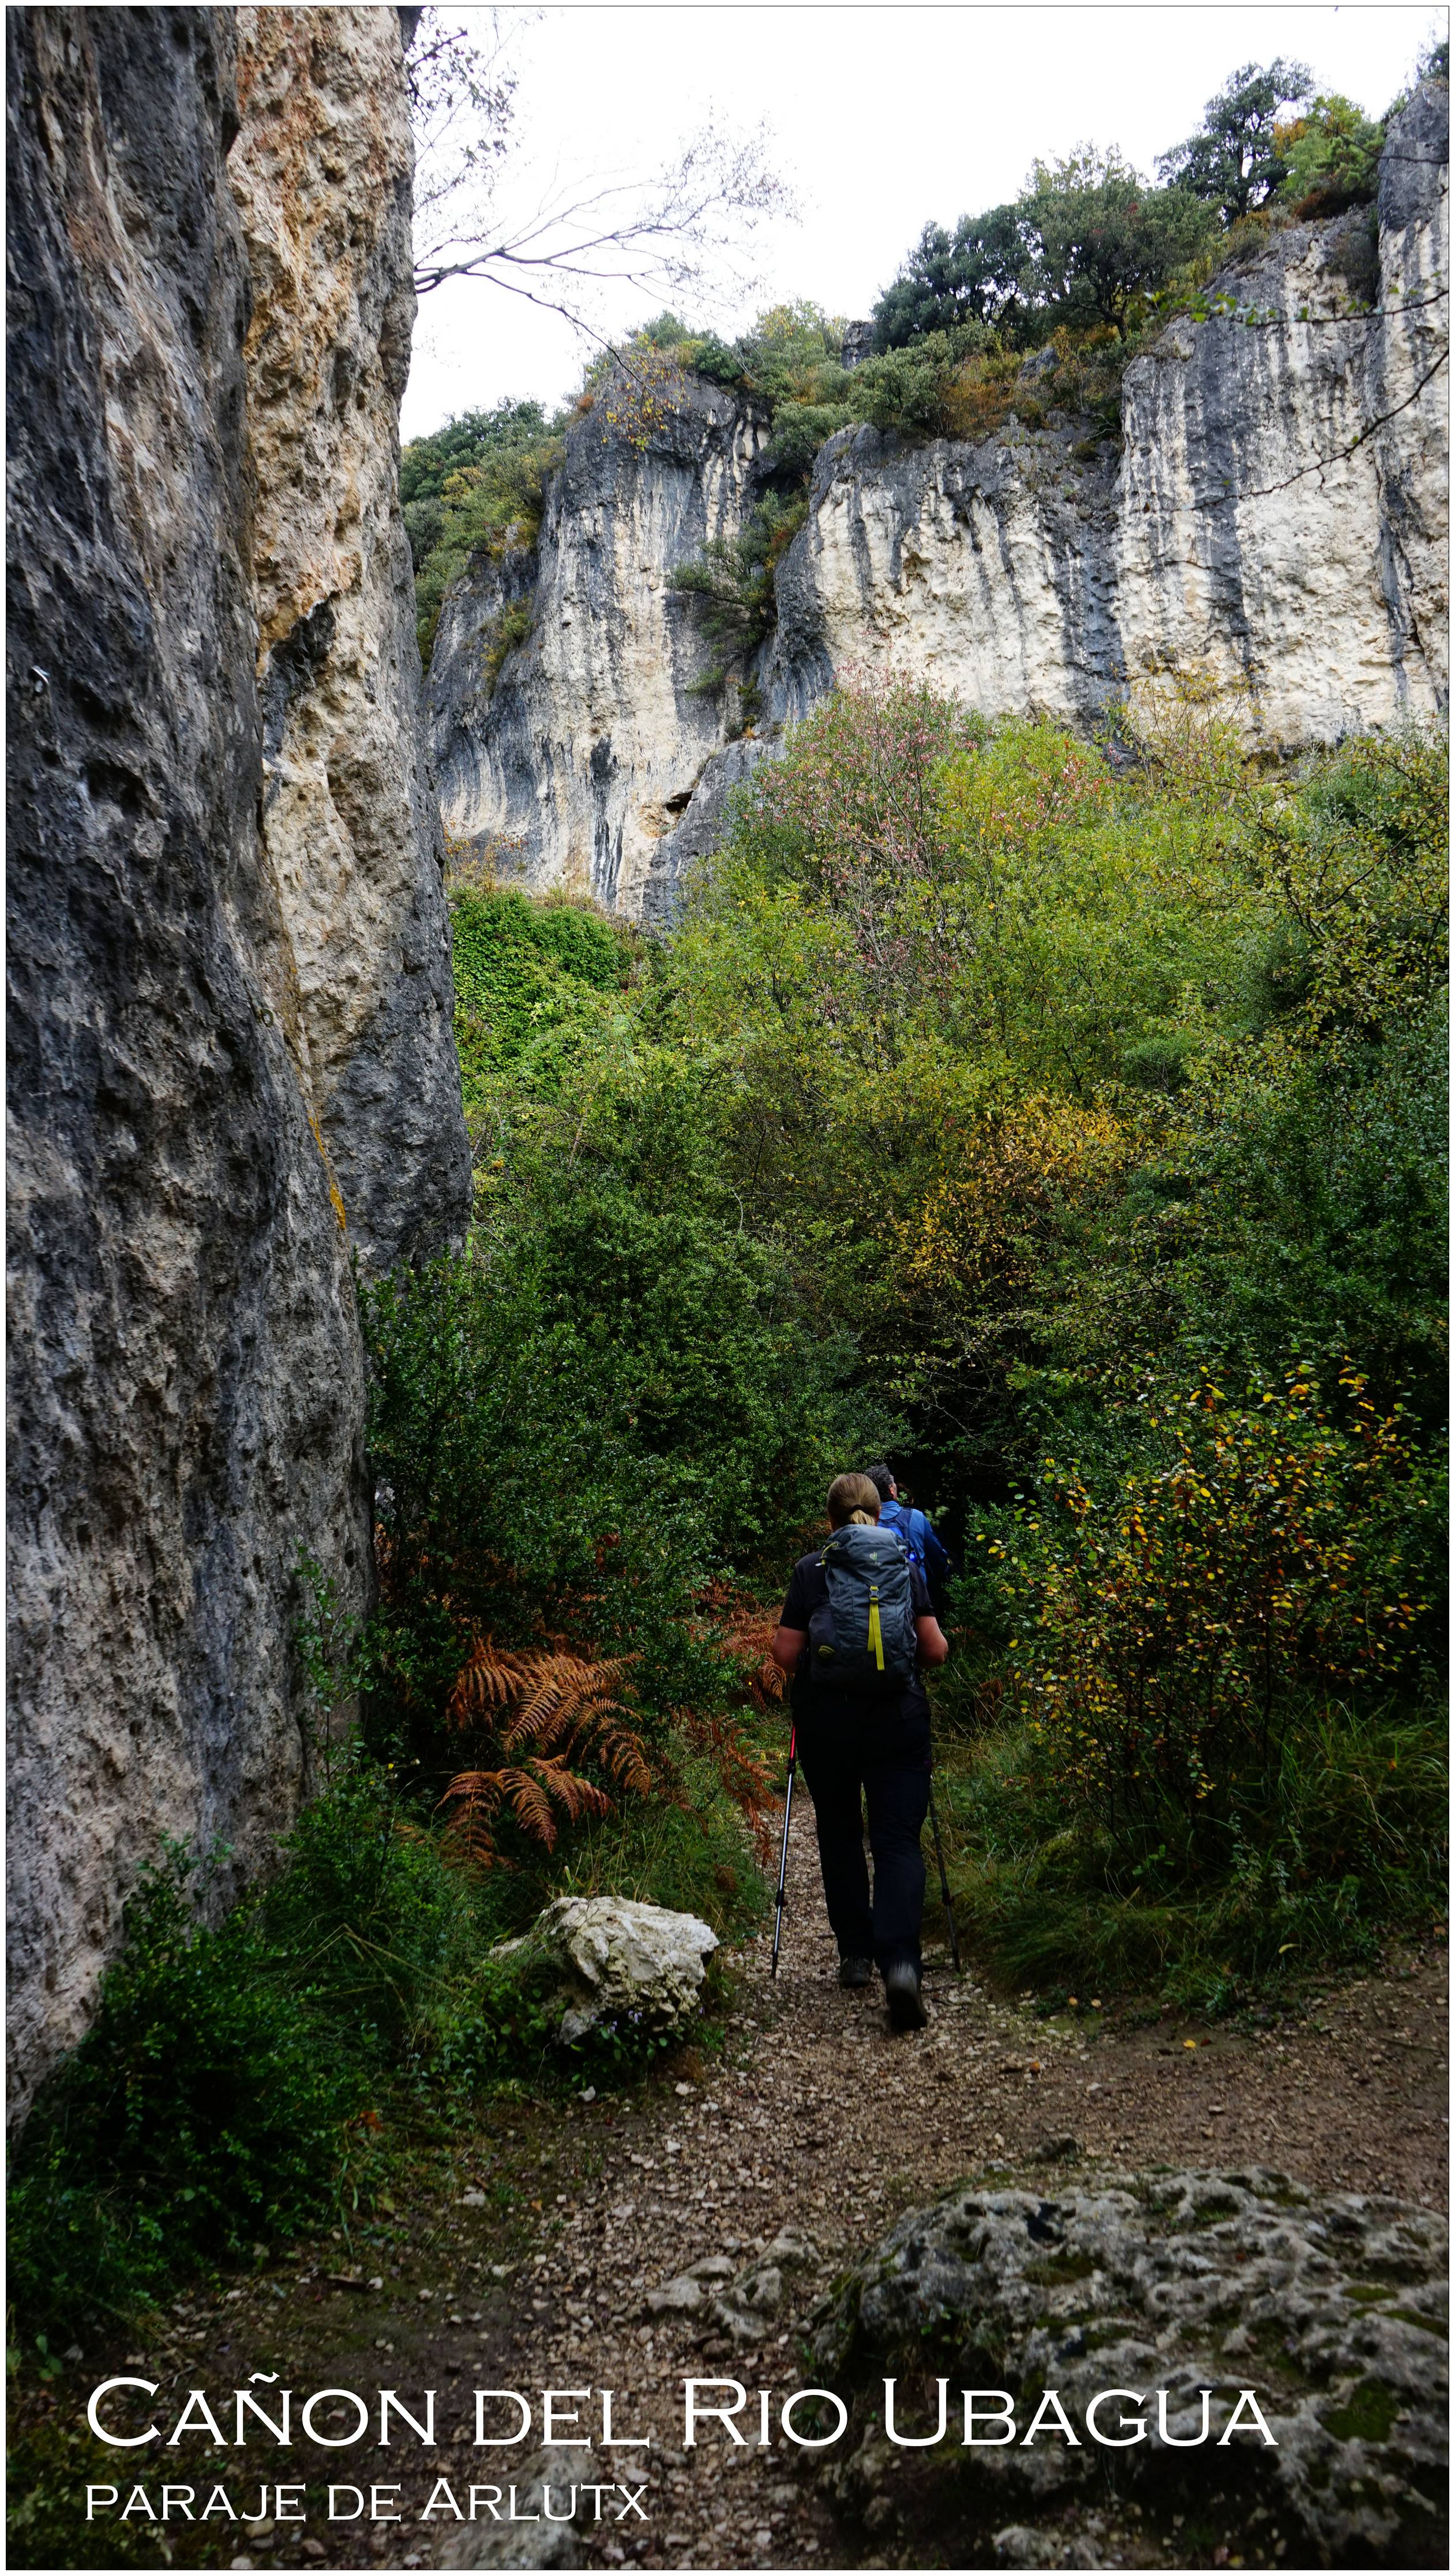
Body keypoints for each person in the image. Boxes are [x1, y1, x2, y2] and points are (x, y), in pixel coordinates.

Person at [772, 1472, 948, 2030]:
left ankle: (854, 1954)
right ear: (880, 1511)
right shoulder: (904, 1565)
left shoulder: (812, 1569)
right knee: (897, 1840)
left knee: (840, 1830)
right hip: (899, 1719)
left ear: (830, 1519)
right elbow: (935, 1650)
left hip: (828, 1723)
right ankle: (901, 1965)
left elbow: (785, 1654)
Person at [865, 1462, 952, 1611]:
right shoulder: (916, 1518)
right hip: (914, 1602)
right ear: (891, 1490)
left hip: (873, 1602)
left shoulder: (862, 1523)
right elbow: (939, 1560)